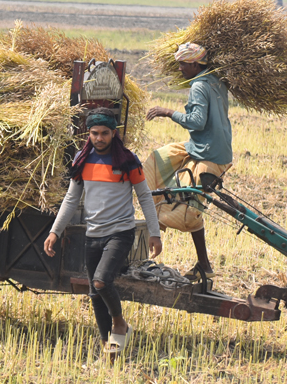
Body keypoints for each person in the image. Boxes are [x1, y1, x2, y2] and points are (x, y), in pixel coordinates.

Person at [44, 108, 162, 359]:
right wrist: (55, 230)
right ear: (89, 134)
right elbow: (70, 198)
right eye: (94, 133)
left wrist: (155, 232)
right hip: (93, 234)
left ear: (114, 134)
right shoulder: (82, 160)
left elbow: (145, 197)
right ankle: (106, 341)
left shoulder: (127, 161)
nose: (99, 138)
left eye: (104, 133)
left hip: (120, 233)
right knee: (94, 292)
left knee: (101, 281)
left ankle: (120, 324)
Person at [145, 43, 232, 279]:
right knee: (157, 159)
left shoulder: (198, 86)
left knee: (188, 209)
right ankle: (156, 219)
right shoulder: (216, 79)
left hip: (208, 154)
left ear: (195, 64)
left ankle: (202, 263)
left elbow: (196, 122)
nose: (180, 68)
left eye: (183, 63)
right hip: (208, 148)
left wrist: (167, 112)